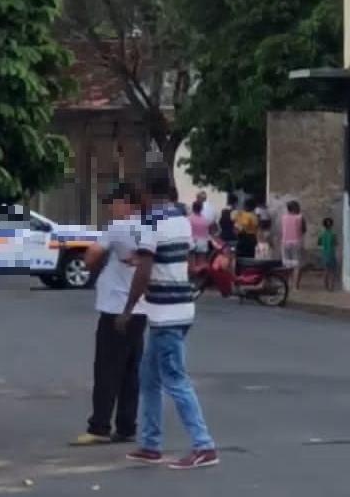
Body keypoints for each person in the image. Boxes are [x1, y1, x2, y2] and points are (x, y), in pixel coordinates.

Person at [123, 165, 219, 470]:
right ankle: (151, 443)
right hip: (181, 307)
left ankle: (203, 445)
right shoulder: (180, 219)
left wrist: (128, 308)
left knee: (175, 379)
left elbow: (145, 269)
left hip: (165, 313)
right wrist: (142, 258)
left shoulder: (153, 223)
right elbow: (174, 258)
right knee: (148, 376)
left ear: (148, 191)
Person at [70, 183, 147, 446]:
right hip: (140, 307)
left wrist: (98, 261)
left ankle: (99, 426)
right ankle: (127, 425)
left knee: (106, 368)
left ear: (126, 202)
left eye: (112, 202)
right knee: (130, 370)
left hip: (116, 308)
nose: (109, 208)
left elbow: (91, 257)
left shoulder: (118, 227)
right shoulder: (148, 227)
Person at [282, 201, 306, 289]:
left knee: (287, 264)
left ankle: (286, 283)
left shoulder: (283, 217)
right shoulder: (300, 217)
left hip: (285, 242)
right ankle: (295, 286)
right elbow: (304, 229)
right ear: (295, 208)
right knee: (297, 265)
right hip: (297, 243)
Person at [319, 217, 339, 292]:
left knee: (326, 271)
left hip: (324, 255)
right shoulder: (333, 235)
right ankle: (331, 287)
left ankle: (326, 287)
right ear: (332, 225)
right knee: (333, 272)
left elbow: (319, 243)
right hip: (331, 254)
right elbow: (336, 244)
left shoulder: (322, 235)